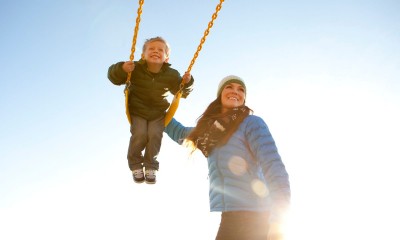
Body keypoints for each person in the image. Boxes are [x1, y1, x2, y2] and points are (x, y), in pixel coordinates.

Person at [164, 75, 290, 240]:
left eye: (241, 90)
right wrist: (154, 108)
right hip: (230, 216)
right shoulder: (209, 131)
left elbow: (274, 167)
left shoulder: (251, 123)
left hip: (257, 215)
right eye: (229, 87)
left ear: (244, 98)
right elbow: (179, 132)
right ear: (220, 94)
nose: (235, 92)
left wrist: (278, 221)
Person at [108, 36, 194, 184]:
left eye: (161, 50)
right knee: (140, 134)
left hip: (158, 114)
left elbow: (182, 92)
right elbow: (113, 77)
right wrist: (122, 68)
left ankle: (150, 167)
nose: (156, 51)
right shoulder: (135, 68)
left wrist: (187, 82)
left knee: (155, 135)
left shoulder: (171, 74)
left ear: (166, 58)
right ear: (143, 55)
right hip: (138, 111)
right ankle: (135, 164)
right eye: (151, 49)